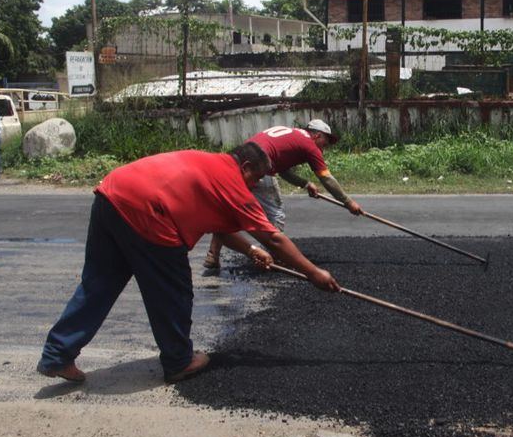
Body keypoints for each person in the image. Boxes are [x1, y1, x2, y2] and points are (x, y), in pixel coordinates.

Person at [36, 143, 340, 384]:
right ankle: (179, 362)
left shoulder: (209, 164)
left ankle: (57, 355)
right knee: (173, 292)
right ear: (245, 167)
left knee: (99, 284)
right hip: (151, 214)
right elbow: (273, 238)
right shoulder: (232, 182)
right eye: (257, 178)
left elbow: (220, 229)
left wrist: (249, 250)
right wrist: (313, 273)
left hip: (111, 196)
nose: (256, 184)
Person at [203, 119, 363, 273]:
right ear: (317, 135)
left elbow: (281, 169)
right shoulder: (309, 144)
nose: (323, 149)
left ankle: (213, 254)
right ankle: (277, 255)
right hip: (257, 166)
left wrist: (305, 184)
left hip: (241, 162)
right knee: (275, 213)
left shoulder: (293, 137)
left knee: (231, 210)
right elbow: (326, 178)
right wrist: (348, 202)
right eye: (324, 144)